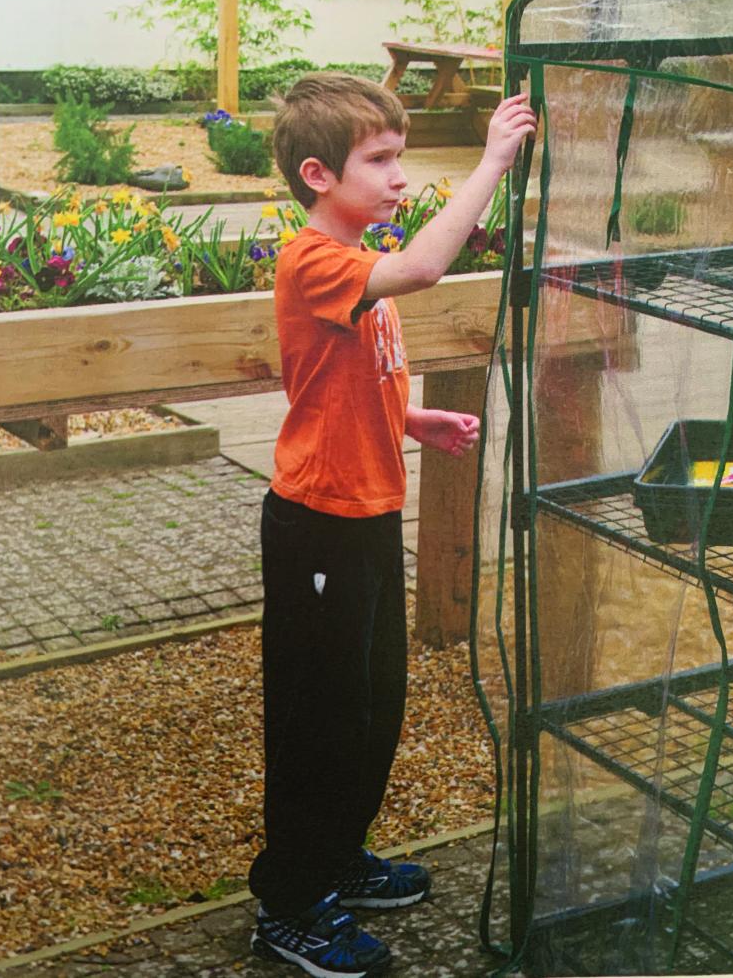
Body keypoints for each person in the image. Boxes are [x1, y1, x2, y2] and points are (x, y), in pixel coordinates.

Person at [249, 71, 537, 978]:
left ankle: (338, 859)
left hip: (369, 512)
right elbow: (424, 265)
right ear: (317, 174)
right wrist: (491, 160)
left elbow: (339, 378)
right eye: (381, 160)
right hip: (315, 527)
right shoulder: (316, 260)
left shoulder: (354, 268)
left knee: (372, 709)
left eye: (401, 157)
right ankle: (289, 904)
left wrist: (414, 419)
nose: (400, 176)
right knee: (318, 719)